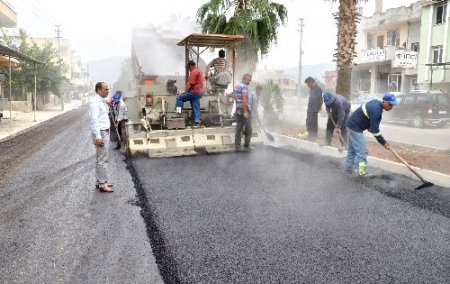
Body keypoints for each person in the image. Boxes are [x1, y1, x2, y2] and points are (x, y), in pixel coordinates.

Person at [345, 93, 398, 176]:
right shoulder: (376, 110)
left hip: (351, 124)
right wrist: (383, 142)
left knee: (352, 150)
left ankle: (348, 169)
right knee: (362, 152)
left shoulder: (376, 103)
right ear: (384, 102)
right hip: (355, 128)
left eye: (392, 105)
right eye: (390, 105)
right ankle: (362, 172)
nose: (391, 107)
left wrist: (370, 127)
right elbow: (375, 130)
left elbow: (369, 119)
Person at [89, 82, 113, 192]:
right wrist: (98, 137)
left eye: (108, 89)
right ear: (99, 90)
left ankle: (100, 181)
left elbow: (105, 106)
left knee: (100, 158)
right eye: (106, 89)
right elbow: (94, 120)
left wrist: (107, 103)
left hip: (103, 132)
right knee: (102, 159)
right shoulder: (95, 102)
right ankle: (103, 184)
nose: (108, 91)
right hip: (101, 133)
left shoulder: (101, 101)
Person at [175, 60, 204, 127]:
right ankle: (197, 121)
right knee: (196, 105)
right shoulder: (199, 71)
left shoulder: (194, 72)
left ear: (191, 66)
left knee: (179, 98)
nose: (188, 69)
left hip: (194, 92)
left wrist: (183, 91)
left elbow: (189, 84)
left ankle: (178, 113)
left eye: (188, 68)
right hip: (199, 93)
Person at [233, 74, 253, 149]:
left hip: (238, 109)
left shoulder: (237, 86)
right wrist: (245, 111)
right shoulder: (244, 86)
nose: (249, 82)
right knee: (249, 128)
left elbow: (234, 97)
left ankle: (237, 145)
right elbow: (244, 98)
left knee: (239, 127)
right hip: (244, 109)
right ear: (244, 79)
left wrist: (238, 106)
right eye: (249, 80)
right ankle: (246, 145)